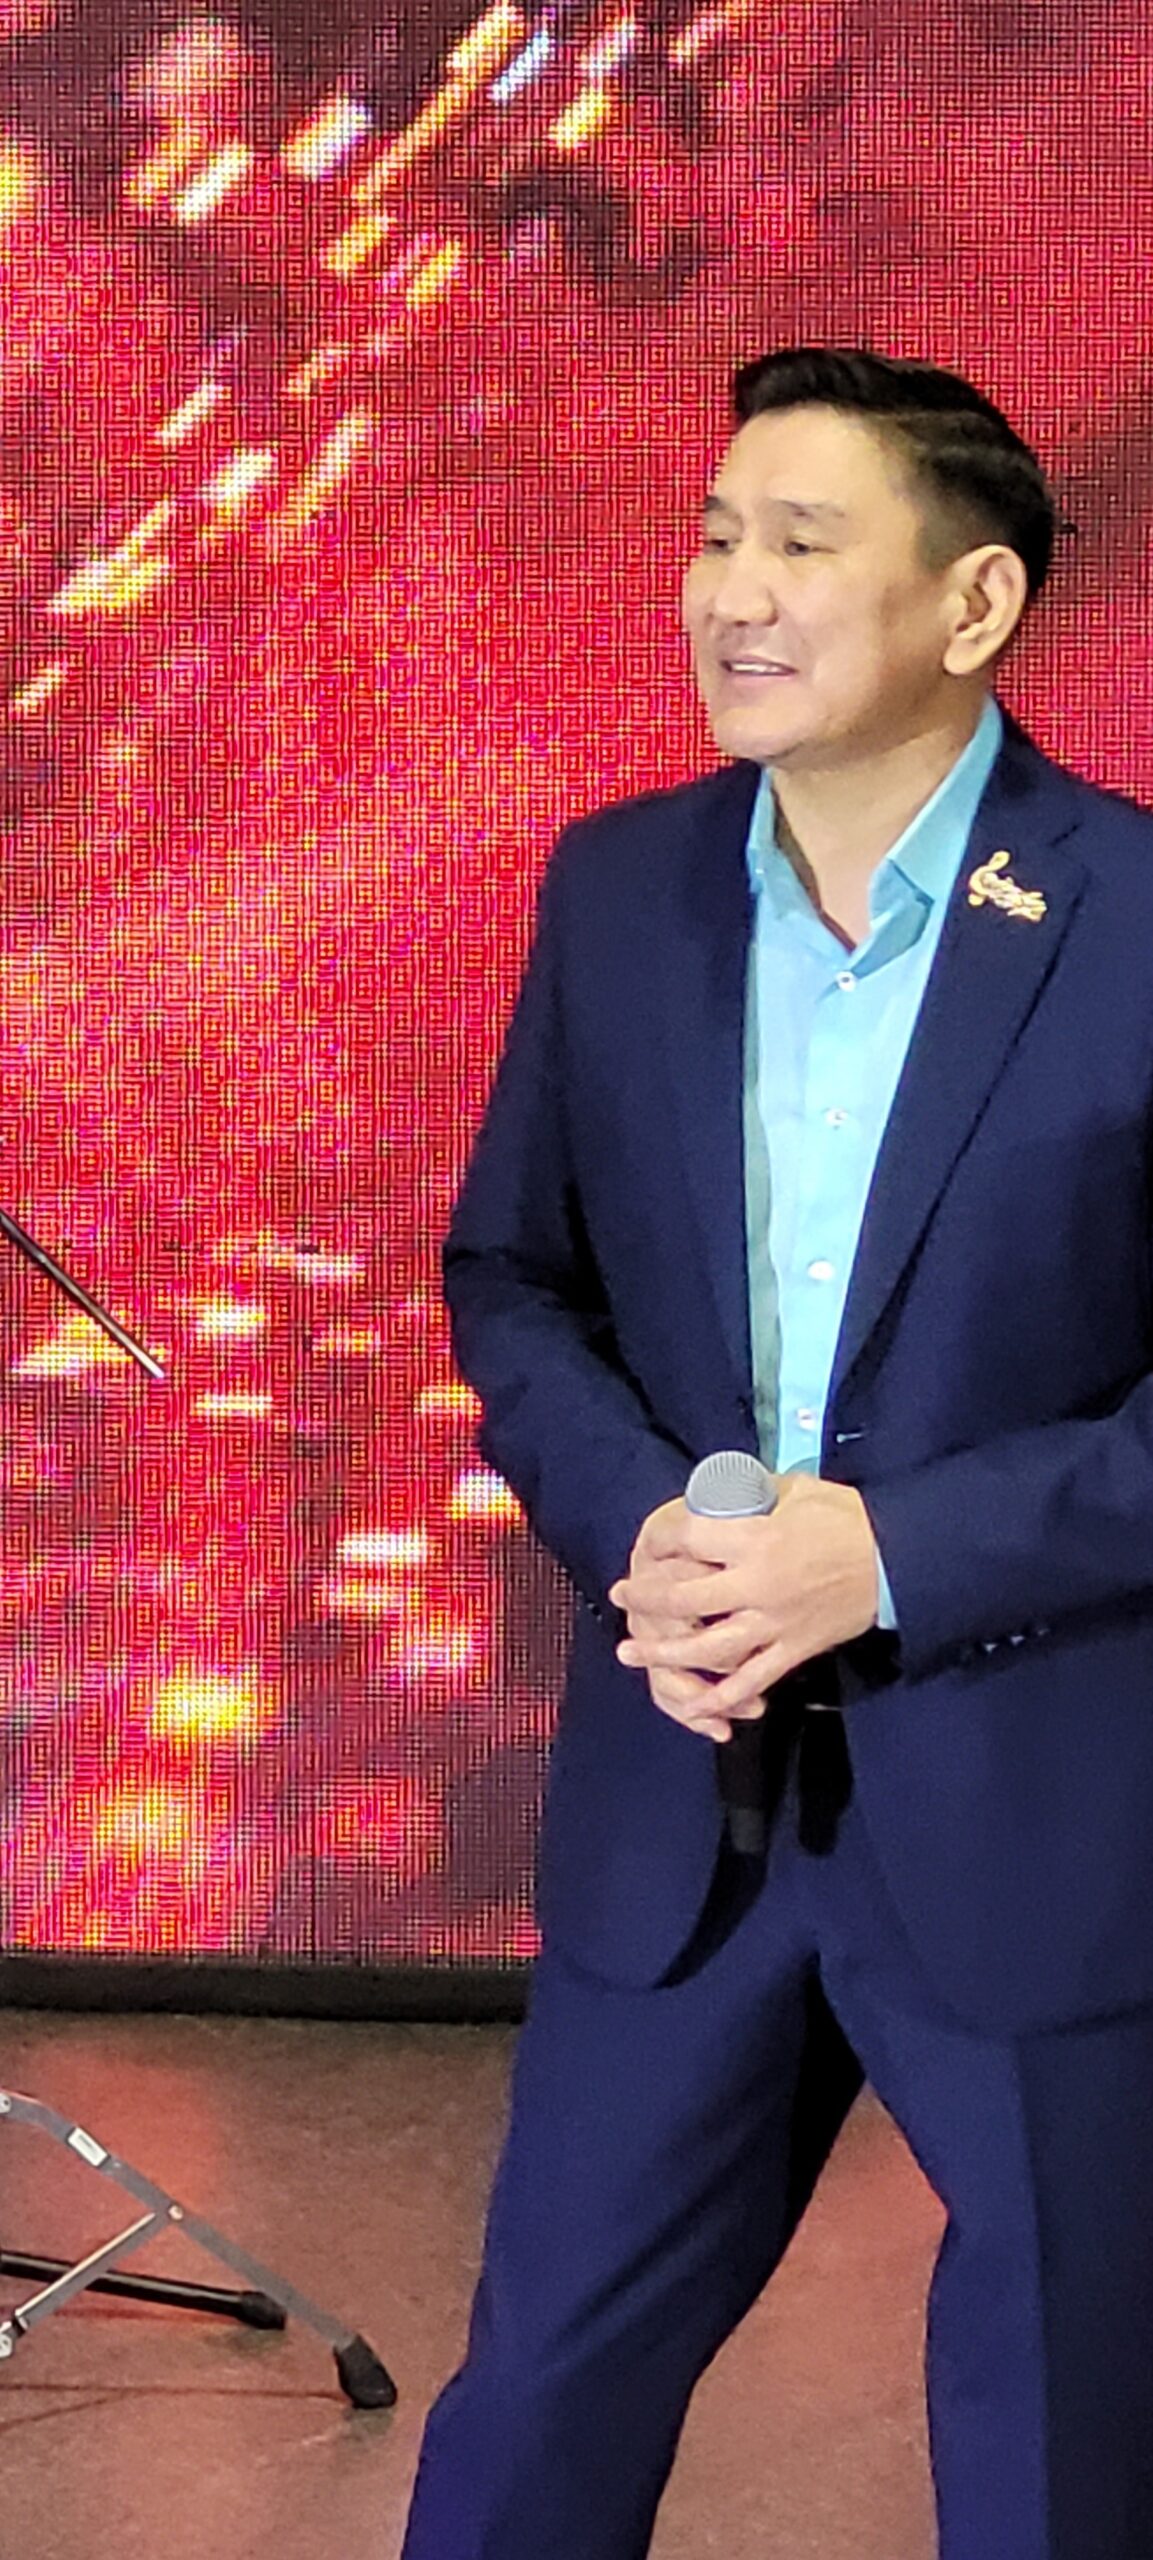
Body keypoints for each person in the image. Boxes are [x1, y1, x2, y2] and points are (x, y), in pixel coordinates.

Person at [399, 347, 1153, 2559]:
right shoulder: (617, 891)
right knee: (534, 2402)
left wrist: (894, 1555)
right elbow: (511, 1274)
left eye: (801, 542)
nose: (729, 589)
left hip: (1041, 1806)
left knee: (1059, 2439)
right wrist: (647, 1525)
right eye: (716, 535)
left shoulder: (1131, 914)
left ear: (974, 602)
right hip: (680, 1794)